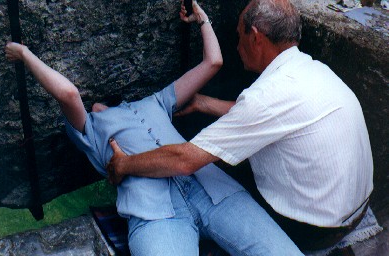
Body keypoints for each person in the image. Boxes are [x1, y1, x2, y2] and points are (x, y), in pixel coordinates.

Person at [5, 1, 302, 255]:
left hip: (215, 192)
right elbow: (68, 94)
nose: (96, 103)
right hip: (155, 213)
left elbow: (213, 62)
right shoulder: (90, 127)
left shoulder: (156, 102)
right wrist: (25, 54)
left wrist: (202, 17)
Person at [107, 0, 374, 251]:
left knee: (214, 179)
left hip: (316, 228)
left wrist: (123, 165)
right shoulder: (311, 71)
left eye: (239, 36)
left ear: (256, 37)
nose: (237, 46)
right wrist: (203, 103)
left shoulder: (266, 96)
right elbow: (262, 116)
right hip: (357, 209)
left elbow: (185, 159)